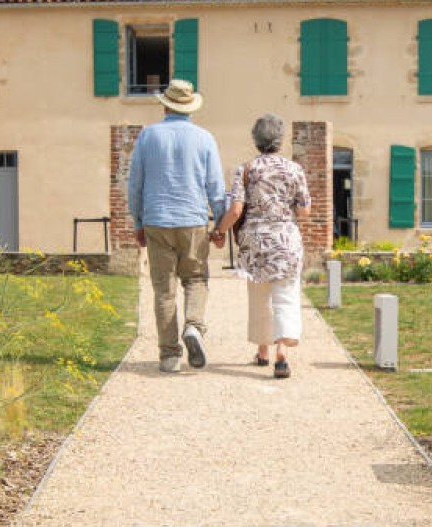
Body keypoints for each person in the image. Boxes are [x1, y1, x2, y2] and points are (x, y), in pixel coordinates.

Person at [127, 79, 227, 374]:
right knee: (196, 280)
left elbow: (135, 185)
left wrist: (138, 221)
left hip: (157, 220)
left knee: (164, 290)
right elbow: (215, 186)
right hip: (193, 220)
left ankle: (169, 355)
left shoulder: (147, 137)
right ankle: (194, 327)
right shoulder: (205, 138)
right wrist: (219, 225)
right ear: (190, 107)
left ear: (165, 104)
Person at [212, 114, 309, 379]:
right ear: (281, 140)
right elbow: (304, 211)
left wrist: (218, 232)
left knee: (259, 297)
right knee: (285, 295)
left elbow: (235, 210)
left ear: (256, 140)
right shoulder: (294, 170)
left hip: (254, 241)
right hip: (285, 240)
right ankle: (282, 354)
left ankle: (263, 352)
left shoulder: (246, 169)